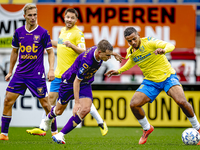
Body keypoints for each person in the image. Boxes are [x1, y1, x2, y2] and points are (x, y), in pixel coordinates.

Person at [105, 27, 200, 145]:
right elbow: (132, 61)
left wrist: (164, 50)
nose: (133, 42)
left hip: (167, 77)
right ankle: (147, 128)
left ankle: (198, 128)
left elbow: (170, 45)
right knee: (134, 104)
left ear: (139, 35)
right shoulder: (131, 51)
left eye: (134, 39)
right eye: (129, 41)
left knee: (181, 101)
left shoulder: (150, 42)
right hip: (150, 81)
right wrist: (119, 71)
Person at [26, 8, 108, 137]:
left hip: (72, 75)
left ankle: (100, 122)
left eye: (72, 18)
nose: (69, 20)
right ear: (64, 18)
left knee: (83, 104)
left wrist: (72, 46)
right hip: (59, 74)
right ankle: (43, 127)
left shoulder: (78, 34)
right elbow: (59, 44)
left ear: (76, 20)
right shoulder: (62, 31)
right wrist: (43, 41)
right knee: (50, 101)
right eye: (67, 17)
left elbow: (84, 52)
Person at [40, 39, 124, 144]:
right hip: (69, 82)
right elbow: (76, 82)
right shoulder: (87, 62)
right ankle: (48, 118)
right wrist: (76, 103)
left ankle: (60, 135)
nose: (109, 57)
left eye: (110, 55)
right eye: (108, 55)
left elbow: (102, 49)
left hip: (85, 83)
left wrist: (115, 54)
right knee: (58, 111)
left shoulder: (99, 49)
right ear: (99, 53)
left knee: (85, 109)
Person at [0, 4, 55, 141]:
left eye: (35, 14)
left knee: (46, 104)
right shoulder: (18, 32)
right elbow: (14, 52)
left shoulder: (43, 32)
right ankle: (4, 134)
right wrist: (10, 71)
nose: (33, 17)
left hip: (36, 75)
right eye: (30, 15)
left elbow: (50, 52)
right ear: (24, 16)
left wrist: (51, 69)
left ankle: (55, 132)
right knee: (7, 101)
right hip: (20, 74)